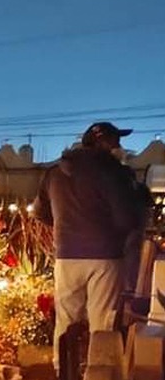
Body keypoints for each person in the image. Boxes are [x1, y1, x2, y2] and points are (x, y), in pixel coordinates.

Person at [35, 121, 143, 367]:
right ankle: (98, 379)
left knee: (66, 318)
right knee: (102, 322)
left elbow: (40, 212)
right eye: (115, 140)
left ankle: (63, 374)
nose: (119, 146)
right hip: (105, 255)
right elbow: (126, 217)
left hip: (67, 254)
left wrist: (66, 228)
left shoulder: (54, 173)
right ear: (101, 143)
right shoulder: (113, 172)